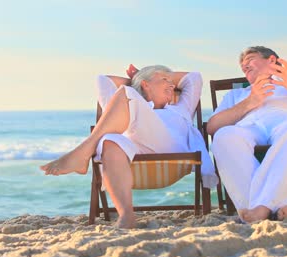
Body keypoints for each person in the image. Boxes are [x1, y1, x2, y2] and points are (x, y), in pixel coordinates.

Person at [41, 64, 218, 228]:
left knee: (125, 94)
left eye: (173, 82)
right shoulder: (126, 104)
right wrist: (137, 80)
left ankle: (82, 153)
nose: (172, 85)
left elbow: (194, 77)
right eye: (165, 80)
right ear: (146, 85)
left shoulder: (181, 108)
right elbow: (103, 80)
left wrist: (148, 78)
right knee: (108, 140)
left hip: (170, 149)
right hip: (132, 153)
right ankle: (126, 215)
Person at [207, 46, 287, 223]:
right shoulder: (237, 94)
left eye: (250, 59)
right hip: (249, 129)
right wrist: (250, 102)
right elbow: (212, 127)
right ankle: (272, 208)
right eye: (242, 66)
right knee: (223, 136)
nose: (244, 66)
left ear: (272, 61)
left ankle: (258, 210)